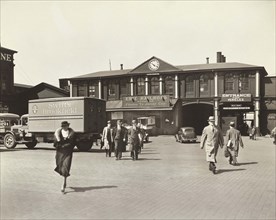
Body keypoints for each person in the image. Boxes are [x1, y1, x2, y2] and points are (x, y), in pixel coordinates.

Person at [53, 121, 76, 194]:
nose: (65, 127)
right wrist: (58, 144)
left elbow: (73, 143)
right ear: (62, 127)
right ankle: (64, 180)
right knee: (60, 165)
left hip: (68, 152)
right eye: (64, 126)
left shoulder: (72, 134)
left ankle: (63, 184)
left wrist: (66, 145)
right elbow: (55, 143)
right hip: (60, 153)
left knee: (66, 167)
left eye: (66, 126)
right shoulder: (58, 133)